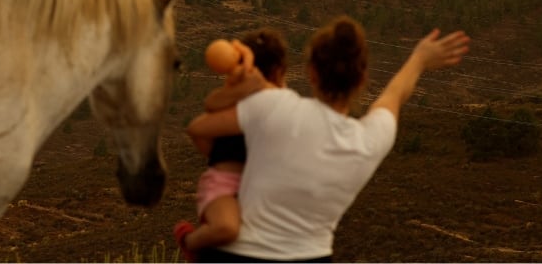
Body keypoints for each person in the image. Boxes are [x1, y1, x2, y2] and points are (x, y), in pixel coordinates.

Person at [183, 16, 470, 262]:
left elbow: (203, 123)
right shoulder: (370, 140)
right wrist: (419, 60)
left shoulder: (273, 106)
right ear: (361, 80)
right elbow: (394, 95)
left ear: (311, 73)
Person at [174, 29, 289, 263]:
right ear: (279, 71)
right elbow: (208, 109)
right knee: (227, 229)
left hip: (253, 187)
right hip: (224, 185)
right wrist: (246, 86)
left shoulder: (276, 103)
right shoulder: (239, 100)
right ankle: (189, 241)